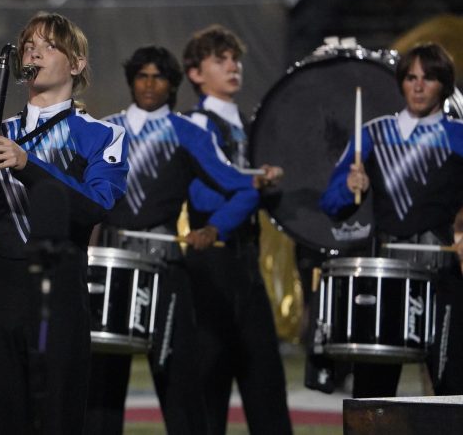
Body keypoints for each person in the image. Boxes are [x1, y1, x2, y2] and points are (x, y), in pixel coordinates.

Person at [0, 11, 129, 434]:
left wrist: (28, 164)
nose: (34, 50)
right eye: (30, 44)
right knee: (1, 421)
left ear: (77, 63)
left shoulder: (102, 135)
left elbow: (97, 206)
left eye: (49, 45)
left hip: (60, 293)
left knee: (59, 423)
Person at [85, 45, 264, 435]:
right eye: (142, 76)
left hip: (166, 269)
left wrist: (215, 228)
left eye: (159, 77)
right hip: (111, 269)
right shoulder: (104, 130)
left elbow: (243, 187)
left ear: (172, 85)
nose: (150, 84)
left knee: (180, 381)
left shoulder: (189, 132)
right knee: (101, 383)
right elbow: (75, 192)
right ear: (132, 80)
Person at [320, 42, 463, 397]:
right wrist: (350, 187)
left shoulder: (459, 137)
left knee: (452, 385)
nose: (418, 86)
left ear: (443, 85)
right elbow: (331, 202)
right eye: (411, 77)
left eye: (428, 78)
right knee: (373, 393)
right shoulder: (372, 133)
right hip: (385, 273)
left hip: (442, 273)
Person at [181, 24, 293, 435]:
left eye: (235, 59)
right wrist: (256, 186)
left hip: (247, 263)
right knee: (208, 385)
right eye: (219, 59)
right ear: (195, 73)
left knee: (266, 383)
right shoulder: (194, 127)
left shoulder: (249, 126)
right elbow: (206, 198)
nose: (232, 66)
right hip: (211, 265)